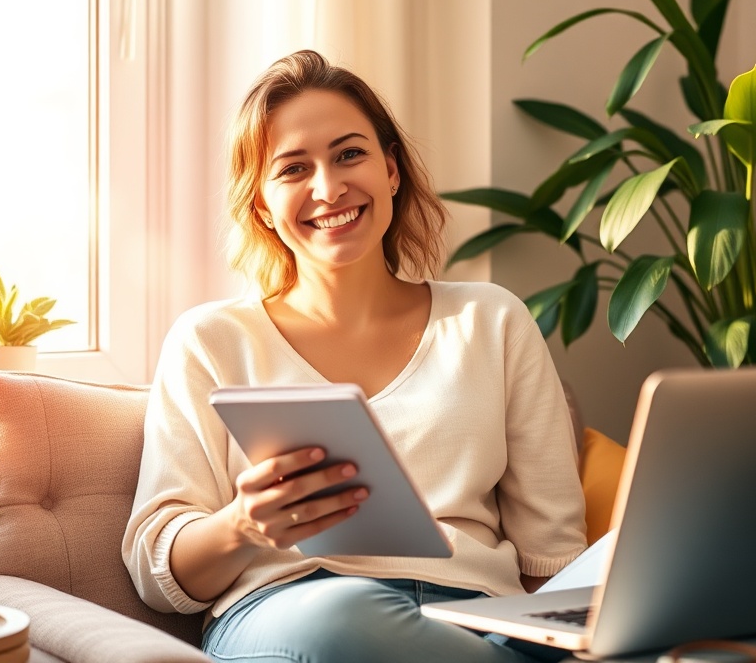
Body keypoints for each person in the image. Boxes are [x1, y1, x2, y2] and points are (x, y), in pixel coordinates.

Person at [122, 49, 587, 663]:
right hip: (298, 611)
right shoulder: (211, 340)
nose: (328, 187)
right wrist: (244, 524)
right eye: (293, 169)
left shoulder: (491, 320)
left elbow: (553, 558)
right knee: (342, 618)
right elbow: (158, 575)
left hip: (474, 619)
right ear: (261, 206)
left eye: (349, 154)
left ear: (390, 170)